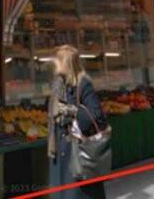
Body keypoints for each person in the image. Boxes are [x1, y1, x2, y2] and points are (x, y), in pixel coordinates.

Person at [48, 45, 108, 198]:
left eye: (57, 60)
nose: (54, 63)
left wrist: (72, 110)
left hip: (77, 151)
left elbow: (97, 116)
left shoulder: (83, 84)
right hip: (59, 151)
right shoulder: (58, 84)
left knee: (77, 193)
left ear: (66, 62)